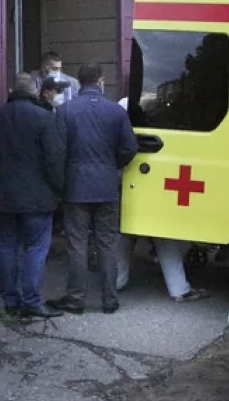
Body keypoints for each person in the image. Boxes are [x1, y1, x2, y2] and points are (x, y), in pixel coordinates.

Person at [49, 63, 139, 314]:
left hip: (75, 187)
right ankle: (110, 299)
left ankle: (76, 298)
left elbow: (56, 153)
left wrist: (59, 185)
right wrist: (112, 166)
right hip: (107, 185)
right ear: (101, 81)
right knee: (107, 243)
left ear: (79, 82)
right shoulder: (116, 112)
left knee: (77, 243)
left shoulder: (65, 111)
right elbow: (130, 148)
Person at [0, 72, 65, 319]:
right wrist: (59, 190)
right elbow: (54, 160)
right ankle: (32, 301)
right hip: (37, 198)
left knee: (6, 246)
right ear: (35, 91)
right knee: (36, 248)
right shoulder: (45, 119)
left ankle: (11, 301)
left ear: (11, 89)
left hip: (2, 196)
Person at [114, 97, 210, 303]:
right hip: (153, 189)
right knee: (163, 237)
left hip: (129, 188)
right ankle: (179, 288)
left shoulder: (120, 126)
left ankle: (115, 281)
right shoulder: (156, 131)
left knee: (123, 235)